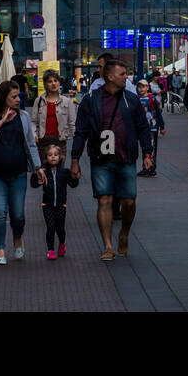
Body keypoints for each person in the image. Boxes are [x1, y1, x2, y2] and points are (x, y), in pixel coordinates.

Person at [70, 59, 153, 261]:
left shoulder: (131, 99)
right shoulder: (91, 100)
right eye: (123, 74)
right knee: (104, 200)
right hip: (101, 158)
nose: (127, 77)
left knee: (129, 201)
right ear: (110, 77)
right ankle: (107, 245)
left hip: (126, 157)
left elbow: (143, 128)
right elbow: (80, 131)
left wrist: (148, 153)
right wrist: (75, 159)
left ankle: (124, 232)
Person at [0, 80, 42, 265]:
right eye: (13, 97)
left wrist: (37, 167)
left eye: (19, 96)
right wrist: (1, 122)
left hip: (18, 173)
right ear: (3, 98)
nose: (18, 100)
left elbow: (30, 143)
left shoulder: (24, 117)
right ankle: (0, 250)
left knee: (18, 214)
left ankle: (17, 237)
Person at [31, 142, 79, 259]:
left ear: (60, 157)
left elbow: (72, 185)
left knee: (60, 228)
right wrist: (35, 175)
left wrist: (76, 178)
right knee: (50, 227)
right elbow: (33, 185)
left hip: (61, 205)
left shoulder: (65, 172)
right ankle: (50, 250)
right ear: (46, 157)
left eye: (56, 154)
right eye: (50, 155)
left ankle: (62, 243)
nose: (53, 157)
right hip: (47, 204)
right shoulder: (44, 172)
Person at [32, 69, 76, 153]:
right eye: (50, 81)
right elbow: (33, 122)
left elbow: (72, 123)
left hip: (60, 142)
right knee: (43, 166)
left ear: (59, 83)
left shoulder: (67, 101)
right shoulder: (39, 101)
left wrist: (77, 141)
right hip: (42, 142)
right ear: (45, 84)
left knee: (59, 166)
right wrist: (34, 135)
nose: (53, 84)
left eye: (55, 81)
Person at [136, 79, 166, 176]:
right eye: (139, 87)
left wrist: (162, 126)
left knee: (152, 148)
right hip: (142, 128)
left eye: (143, 86)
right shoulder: (137, 99)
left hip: (152, 128)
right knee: (145, 148)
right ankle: (145, 167)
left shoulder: (152, 99)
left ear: (147, 88)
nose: (141, 89)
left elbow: (158, 113)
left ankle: (152, 168)